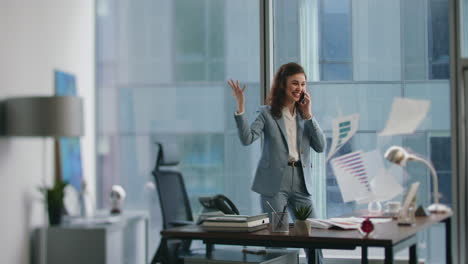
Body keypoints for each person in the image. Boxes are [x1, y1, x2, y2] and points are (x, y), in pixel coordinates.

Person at [228, 62, 325, 263]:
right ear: (283, 85)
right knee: (278, 236)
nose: (300, 88)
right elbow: (247, 138)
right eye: (295, 83)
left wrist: (308, 116)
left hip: (300, 182)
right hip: (275, 186)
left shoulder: (304, 115)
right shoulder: (266, 113)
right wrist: (240, 108)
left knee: (312, 235)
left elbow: (321, 146)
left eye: (303, 84)